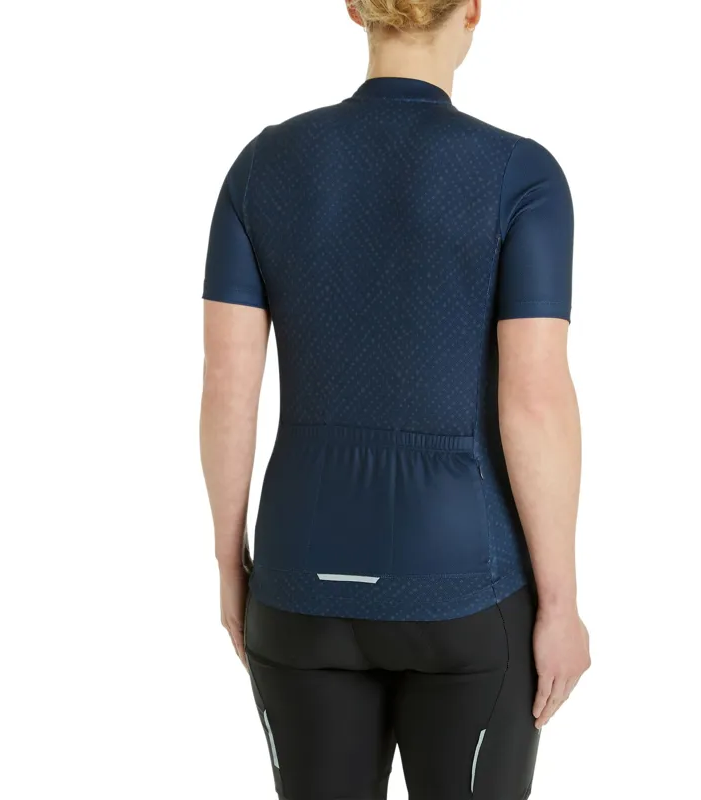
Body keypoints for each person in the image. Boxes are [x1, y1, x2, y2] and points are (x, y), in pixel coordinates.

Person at [199, 1, 590, 797]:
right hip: (469, 589)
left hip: (298, 584)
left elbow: (227, 388)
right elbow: (535, 402)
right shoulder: (521, 176)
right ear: (472, 10)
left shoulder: (261, 169)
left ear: (356, 9)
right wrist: (561, 604)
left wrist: (229, 561)